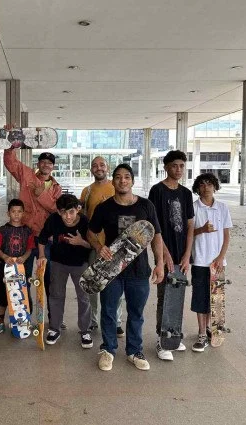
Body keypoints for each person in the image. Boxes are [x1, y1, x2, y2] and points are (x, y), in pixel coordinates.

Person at [87, 164, 164, 371]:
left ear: (132, 181)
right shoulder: (104, 208)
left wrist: (160, 263)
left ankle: (134, 351)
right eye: (118, 177)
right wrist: (99, 247)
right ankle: (108, 349)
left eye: (127, 177)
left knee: (136, 313)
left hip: (139, 271)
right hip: (111, 271)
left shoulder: (146, 206)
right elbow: (91, 233)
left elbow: (156, 235)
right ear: (113, 181)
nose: (123, 180)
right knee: (109, 311)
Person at [4, 147, 62, 321]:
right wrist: (11, 146)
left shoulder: (57, 188)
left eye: (49, 163)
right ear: (38, 164)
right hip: (25, 236)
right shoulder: (26, 175)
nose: (46, 165)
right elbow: (10, 163)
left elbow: (56, 209)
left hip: (47, 239)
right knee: (23, 277)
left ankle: (54, 318)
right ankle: (24, 315)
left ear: (53, 167)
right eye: (43, 162)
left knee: (50, 280)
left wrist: (41, 195)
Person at [148, 149, 194, 361]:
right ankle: (162, 340)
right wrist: (164, 255)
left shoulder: (186, 193)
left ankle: (174, 335)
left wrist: (187, 254)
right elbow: (154, 226)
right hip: (164, 252)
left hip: (182, 254)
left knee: (178, 294)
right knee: (164, 296)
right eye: (174, 165)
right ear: (166, 167)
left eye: (182, 166)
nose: (178, 169)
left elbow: (190, 225)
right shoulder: (157, 191)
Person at [38, 194, 93, 348]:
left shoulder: (85, 222)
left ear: (78, 209)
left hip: (80, 264)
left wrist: (81, 242)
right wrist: (41, 256)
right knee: (56, 295)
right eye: (63, 212)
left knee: (84, 297)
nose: (67, 217)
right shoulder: (53, 219)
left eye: (71, 212)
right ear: (58, 211)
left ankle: (85, 331)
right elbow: (42, 238)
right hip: (58, 263)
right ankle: (55, 328)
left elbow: (93, 245)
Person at [80, 156, 124, 337]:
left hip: (115, 246)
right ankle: (93, 320)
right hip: (95, 245)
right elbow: (83, 218)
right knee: (93, 283)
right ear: (91, 169)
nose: (98, 168)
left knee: (115, 286)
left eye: (102, 165)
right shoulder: (87, 191)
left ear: (107, 168)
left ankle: (117, 321)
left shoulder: (117, 187)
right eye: (95, 165)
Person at [190, 173, 232, 352]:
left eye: (209, 184)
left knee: (215, 299)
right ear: (197, 188)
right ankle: (201, 333)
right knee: (200, 299)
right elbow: (188, 234)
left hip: (218, 263)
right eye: (202, 184)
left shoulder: (222, 208)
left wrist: (221, 257)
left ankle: (211, 329)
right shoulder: (193, 208)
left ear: (215, 186)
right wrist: (201, 229)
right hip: (200, 261)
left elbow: (227, 235)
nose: (206, 187)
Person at [0, 199, 35, 337]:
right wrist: (4, 257)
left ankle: (23, 321)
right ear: (8, 213)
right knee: (3, 295)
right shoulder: (3, 230)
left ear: (23, 213)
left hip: (22, 269)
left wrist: (24, 258)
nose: (16, 214)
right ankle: (0, 322)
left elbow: (30, 248)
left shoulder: (27, 231)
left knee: (22, 294)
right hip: (5, 268)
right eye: (13, 211)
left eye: (19, 211)